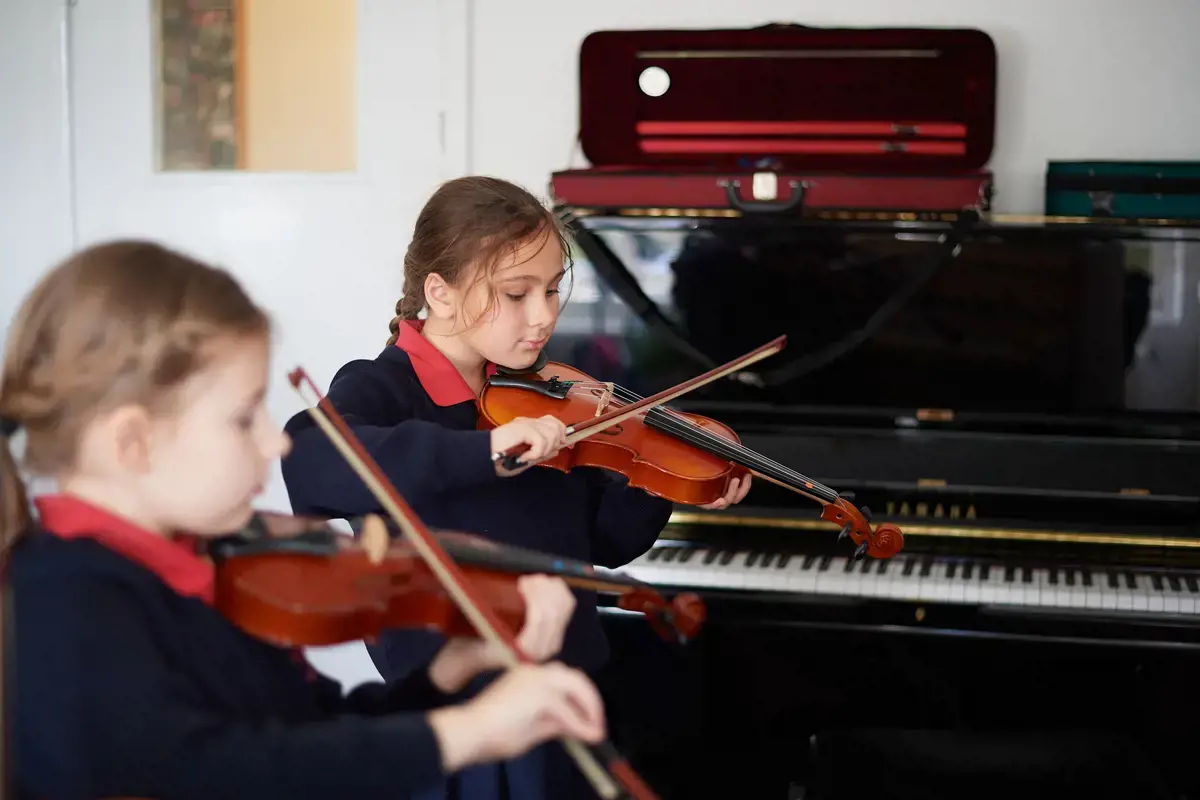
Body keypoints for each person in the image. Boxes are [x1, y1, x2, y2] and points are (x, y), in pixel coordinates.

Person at [0, 240, 606, 800]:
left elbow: (310, 730)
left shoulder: (205, 569)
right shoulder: (63, 597)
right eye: (243, 419)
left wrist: (448, 673)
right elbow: (218, 770)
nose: (277, 442)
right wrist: (464, 734)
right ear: (133, 442)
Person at [280, 176, 751, 798]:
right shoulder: (381, 388)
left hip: (561, 695)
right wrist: (486, 449)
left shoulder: (547, 393)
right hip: (460, 717)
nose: (545, 315)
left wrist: (662, 476)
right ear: (440, 293)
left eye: (552, 289)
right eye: (516, 293)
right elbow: (309, 461)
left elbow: (602, 540)